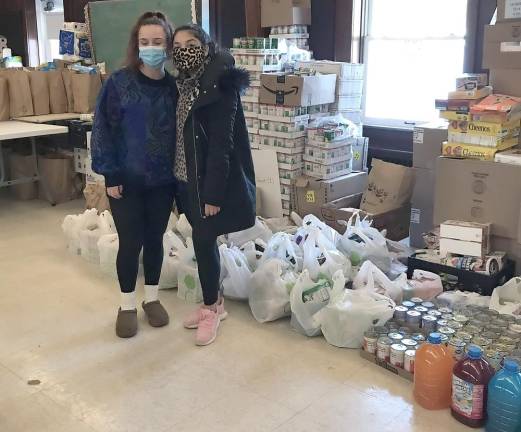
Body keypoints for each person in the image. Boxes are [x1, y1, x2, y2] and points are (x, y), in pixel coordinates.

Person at [91, 11, 177, 339]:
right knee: (130, 243)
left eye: (157, 42)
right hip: (125, 182)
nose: (151, 47)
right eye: (145, 42)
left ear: (168, 45)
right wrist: (109, 174)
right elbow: (102, 129)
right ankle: (127, 304)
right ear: (136, 45)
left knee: (155, 239)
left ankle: (151, 298)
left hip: (162, 182)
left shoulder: (173, 88)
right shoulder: (119, 83)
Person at [172, 24, 256, 346]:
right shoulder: (182, 83)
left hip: (205, 181)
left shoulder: (220, 84)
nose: (185, 50)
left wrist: (213, 193)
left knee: (204, 240)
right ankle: (215, 302)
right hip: (183, 177)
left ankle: (211, 309)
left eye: (191, 43)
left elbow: (223, 142)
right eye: (178, 45)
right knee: (201, 241)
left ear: (206, 46)